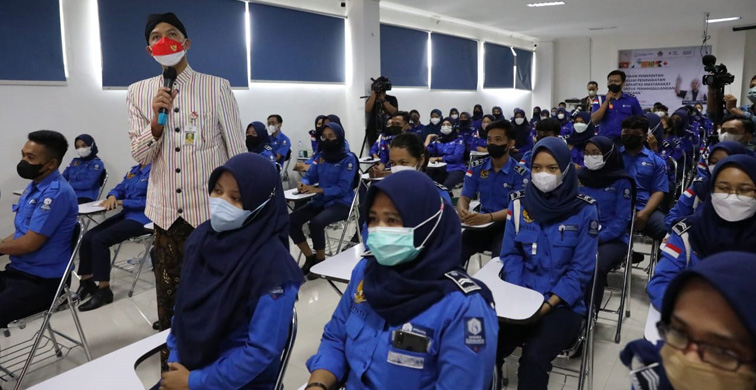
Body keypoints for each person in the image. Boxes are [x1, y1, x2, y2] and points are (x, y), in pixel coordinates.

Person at [305, 171, 498, 390]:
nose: (379, 230)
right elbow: (335, 338)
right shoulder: (366, 271)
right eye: (373, 219)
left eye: (392, 220)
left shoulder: (465, 307)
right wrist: (318, 385)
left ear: (427, 224)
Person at [127, 12, 246, 345]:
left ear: (186, 43)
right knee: (171, 300)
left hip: (210, 214)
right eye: (155, 36)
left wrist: (242, 210)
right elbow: (140, 157)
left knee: (218, 295)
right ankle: (176, 364)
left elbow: (237, 152)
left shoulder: (216, 86)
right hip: (165, 214)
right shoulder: (138, 92)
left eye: (172, 33)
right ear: (149, 49)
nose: (164, 40)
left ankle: (219, 363)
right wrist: (156, 125)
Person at [159, 153, 305, 390]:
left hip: (240, 381)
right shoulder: (201, 240)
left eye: (236, 198)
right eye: (217, 191)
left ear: (261, 205)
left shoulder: (274, 267)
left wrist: (195, 382)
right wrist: (176, 359)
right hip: (188, 367)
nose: (222, 202)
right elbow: (182, 309)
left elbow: (260, 352)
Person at [497, 137, 599, 390]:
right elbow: (510, 255)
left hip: (562, 305)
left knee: (533, 358)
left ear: (565, 169)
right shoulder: (519, 204)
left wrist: (545, 305)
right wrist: (521, 296)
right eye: (537, 167)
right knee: (482, 346)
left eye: (552, 168)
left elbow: (581, 270)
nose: (543, 174)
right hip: (520, 300)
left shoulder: (585, 211)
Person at [621, 252, 756, 390]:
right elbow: (660, 280)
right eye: (679, 332)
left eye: (721, 350)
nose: (689, 359)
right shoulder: (651, 381)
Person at [647, 155, 756, 309]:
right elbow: (661, 283)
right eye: (723, 188)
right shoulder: (687, 232)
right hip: (691, 317)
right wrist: (694, 314)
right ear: (711, 189)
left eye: (744, 190)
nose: (732, 197)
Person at [0, 130, 78, 328]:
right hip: (19, 271)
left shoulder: (56, 194)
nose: (23, 161)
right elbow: (22, 233)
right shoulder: (34, 187)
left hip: (44, 281)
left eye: (30, 157)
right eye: (23, 154)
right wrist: (2, 244)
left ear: (51, 164)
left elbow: (29, 244)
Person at [77, 163, 152, 311]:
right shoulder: (134, 170)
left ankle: (104, 289)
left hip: (144, 218)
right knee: (87, 237)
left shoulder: (157, 170)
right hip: (127, 214)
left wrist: (121, 202)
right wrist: (112, 196)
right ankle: (86, 282)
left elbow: (151, 201)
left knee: (100, 239)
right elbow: (120, 187)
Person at [458, 120, 530, 267]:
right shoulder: (478, 166)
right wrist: (463, 212)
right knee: (454, 252)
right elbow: (465, 196)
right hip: (480, 224)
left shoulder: (521, 173)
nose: (492, 144)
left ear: (510, 143)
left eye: (498, 140)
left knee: (499, 263)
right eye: (489, 139)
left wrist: (488, 217)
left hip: (507, 226)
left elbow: (517, 208)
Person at [291, 122, 357, 277]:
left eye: (331, 136)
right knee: (291, 221)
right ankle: (309, 257)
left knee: (316, 223)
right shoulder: (321, 157)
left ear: (339, 137)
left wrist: (318, 189)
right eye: (324, 136)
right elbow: (310, 176)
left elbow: (343, 188)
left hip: (342, 203)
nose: (327, 140)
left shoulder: (348, 159)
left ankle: (320, 260)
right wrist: (304, 184)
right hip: (321, 201)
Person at [578, 136, 633, 308]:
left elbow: (622, 220)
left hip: (611, 239)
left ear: (608, 154)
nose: (590, 157)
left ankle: (588, 315)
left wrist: (598, 237)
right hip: (579, 233)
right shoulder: (579, 177)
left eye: (595, 153)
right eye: (587, 153)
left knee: (595, 265)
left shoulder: (622, 181)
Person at [665, 141, 748, 230]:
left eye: (724, 161)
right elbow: (672, 218)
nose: (717, 166)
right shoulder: (699, 188)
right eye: (713, 162)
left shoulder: (749, 195)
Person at [621, 116, 669, 242]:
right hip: (616, 208)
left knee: (668, 232)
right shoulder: (613, 157)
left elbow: (659, 191)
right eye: (626, 132)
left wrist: (646, 213)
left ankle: (661, 261)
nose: (630, 135)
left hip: (643, 207)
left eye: (635, 133)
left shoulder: (656, 160)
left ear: (644, 136)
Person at [591, 70, 644, 142]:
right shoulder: (600, 99)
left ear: (623, 83)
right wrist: (606, 101)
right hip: (604, 140)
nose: (613, 83)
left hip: (625, 141)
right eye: (610, 81)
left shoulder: (631, 100)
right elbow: (594, 120)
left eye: (616, 81)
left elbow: (641, 121)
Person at [62, 134, 106, 204]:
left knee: (57, 206)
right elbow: (63, 177)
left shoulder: (97, 164)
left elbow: (87, 184)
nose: (80, 149)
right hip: (70, 194)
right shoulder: (75, 161)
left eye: (84, 146)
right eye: (78, 147)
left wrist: (67, 186)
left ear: (91, 146)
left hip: (85, 197)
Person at [425, 118, 466, 189]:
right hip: (439, 168)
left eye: (448, 124)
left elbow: (456, 157)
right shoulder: (438, 140)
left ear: (453, 126)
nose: (445, 126)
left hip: (455, 168)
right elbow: (425, 152)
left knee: (445, 186)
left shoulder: (459, 140)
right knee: (428, 184)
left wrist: (438, 158)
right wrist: (428, 137)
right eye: (443, 124)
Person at [364, 76, 398, 147]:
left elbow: (393, 112)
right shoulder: (372, 99)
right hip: (373, 131)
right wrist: (374, 93)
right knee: (374, 151)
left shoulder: (392, 99)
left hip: (388, 130)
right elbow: (368, 109)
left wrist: (382, 99)